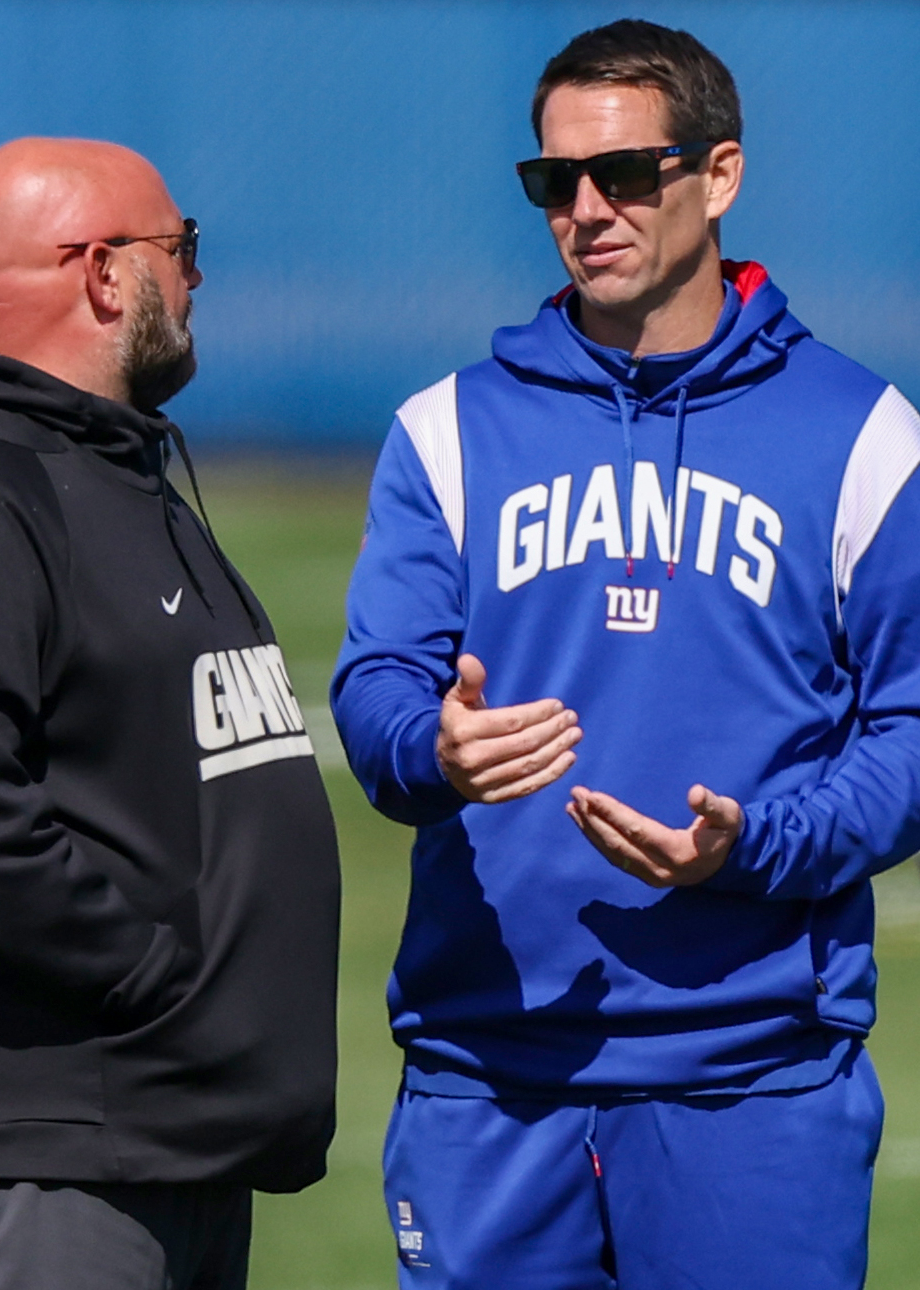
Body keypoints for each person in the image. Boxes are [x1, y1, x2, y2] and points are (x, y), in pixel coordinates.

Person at [332, 19, 920, 1290]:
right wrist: (429, 746)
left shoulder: (863, 435)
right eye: (554, 181)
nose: (586, 209)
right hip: (487, 1068)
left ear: (718, 175)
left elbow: (909, 732)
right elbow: (375, 689)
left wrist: (753, 846)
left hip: (751, 1076)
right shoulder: (446, 430)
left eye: (626, 173)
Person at [0, 137, 341, 1290]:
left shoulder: (110, 476)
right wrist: (150, 979)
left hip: (161, 1140)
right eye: (184, 248)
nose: (198, 278)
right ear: (106, 273)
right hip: (44, 1161)